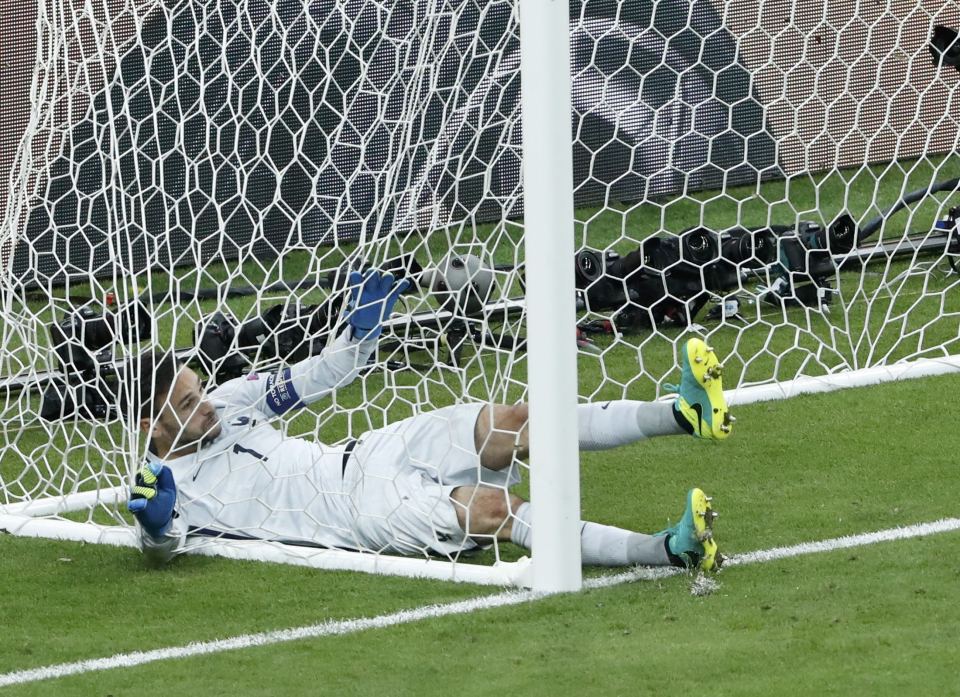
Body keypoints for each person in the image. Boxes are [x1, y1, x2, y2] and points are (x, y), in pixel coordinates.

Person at [127, 269, 734, 572]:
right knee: (498, 510)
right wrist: (156, 530)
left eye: (197, 390)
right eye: (185, 406)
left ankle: (681, 414)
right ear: (153, 430)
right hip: (357, 514)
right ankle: (665, 551)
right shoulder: (170, 493)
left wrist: (356, 333)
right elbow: (164, 547)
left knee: (510, 422)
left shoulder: (231, 401)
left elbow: (322, 374)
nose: (205, 405)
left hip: (365, 453)